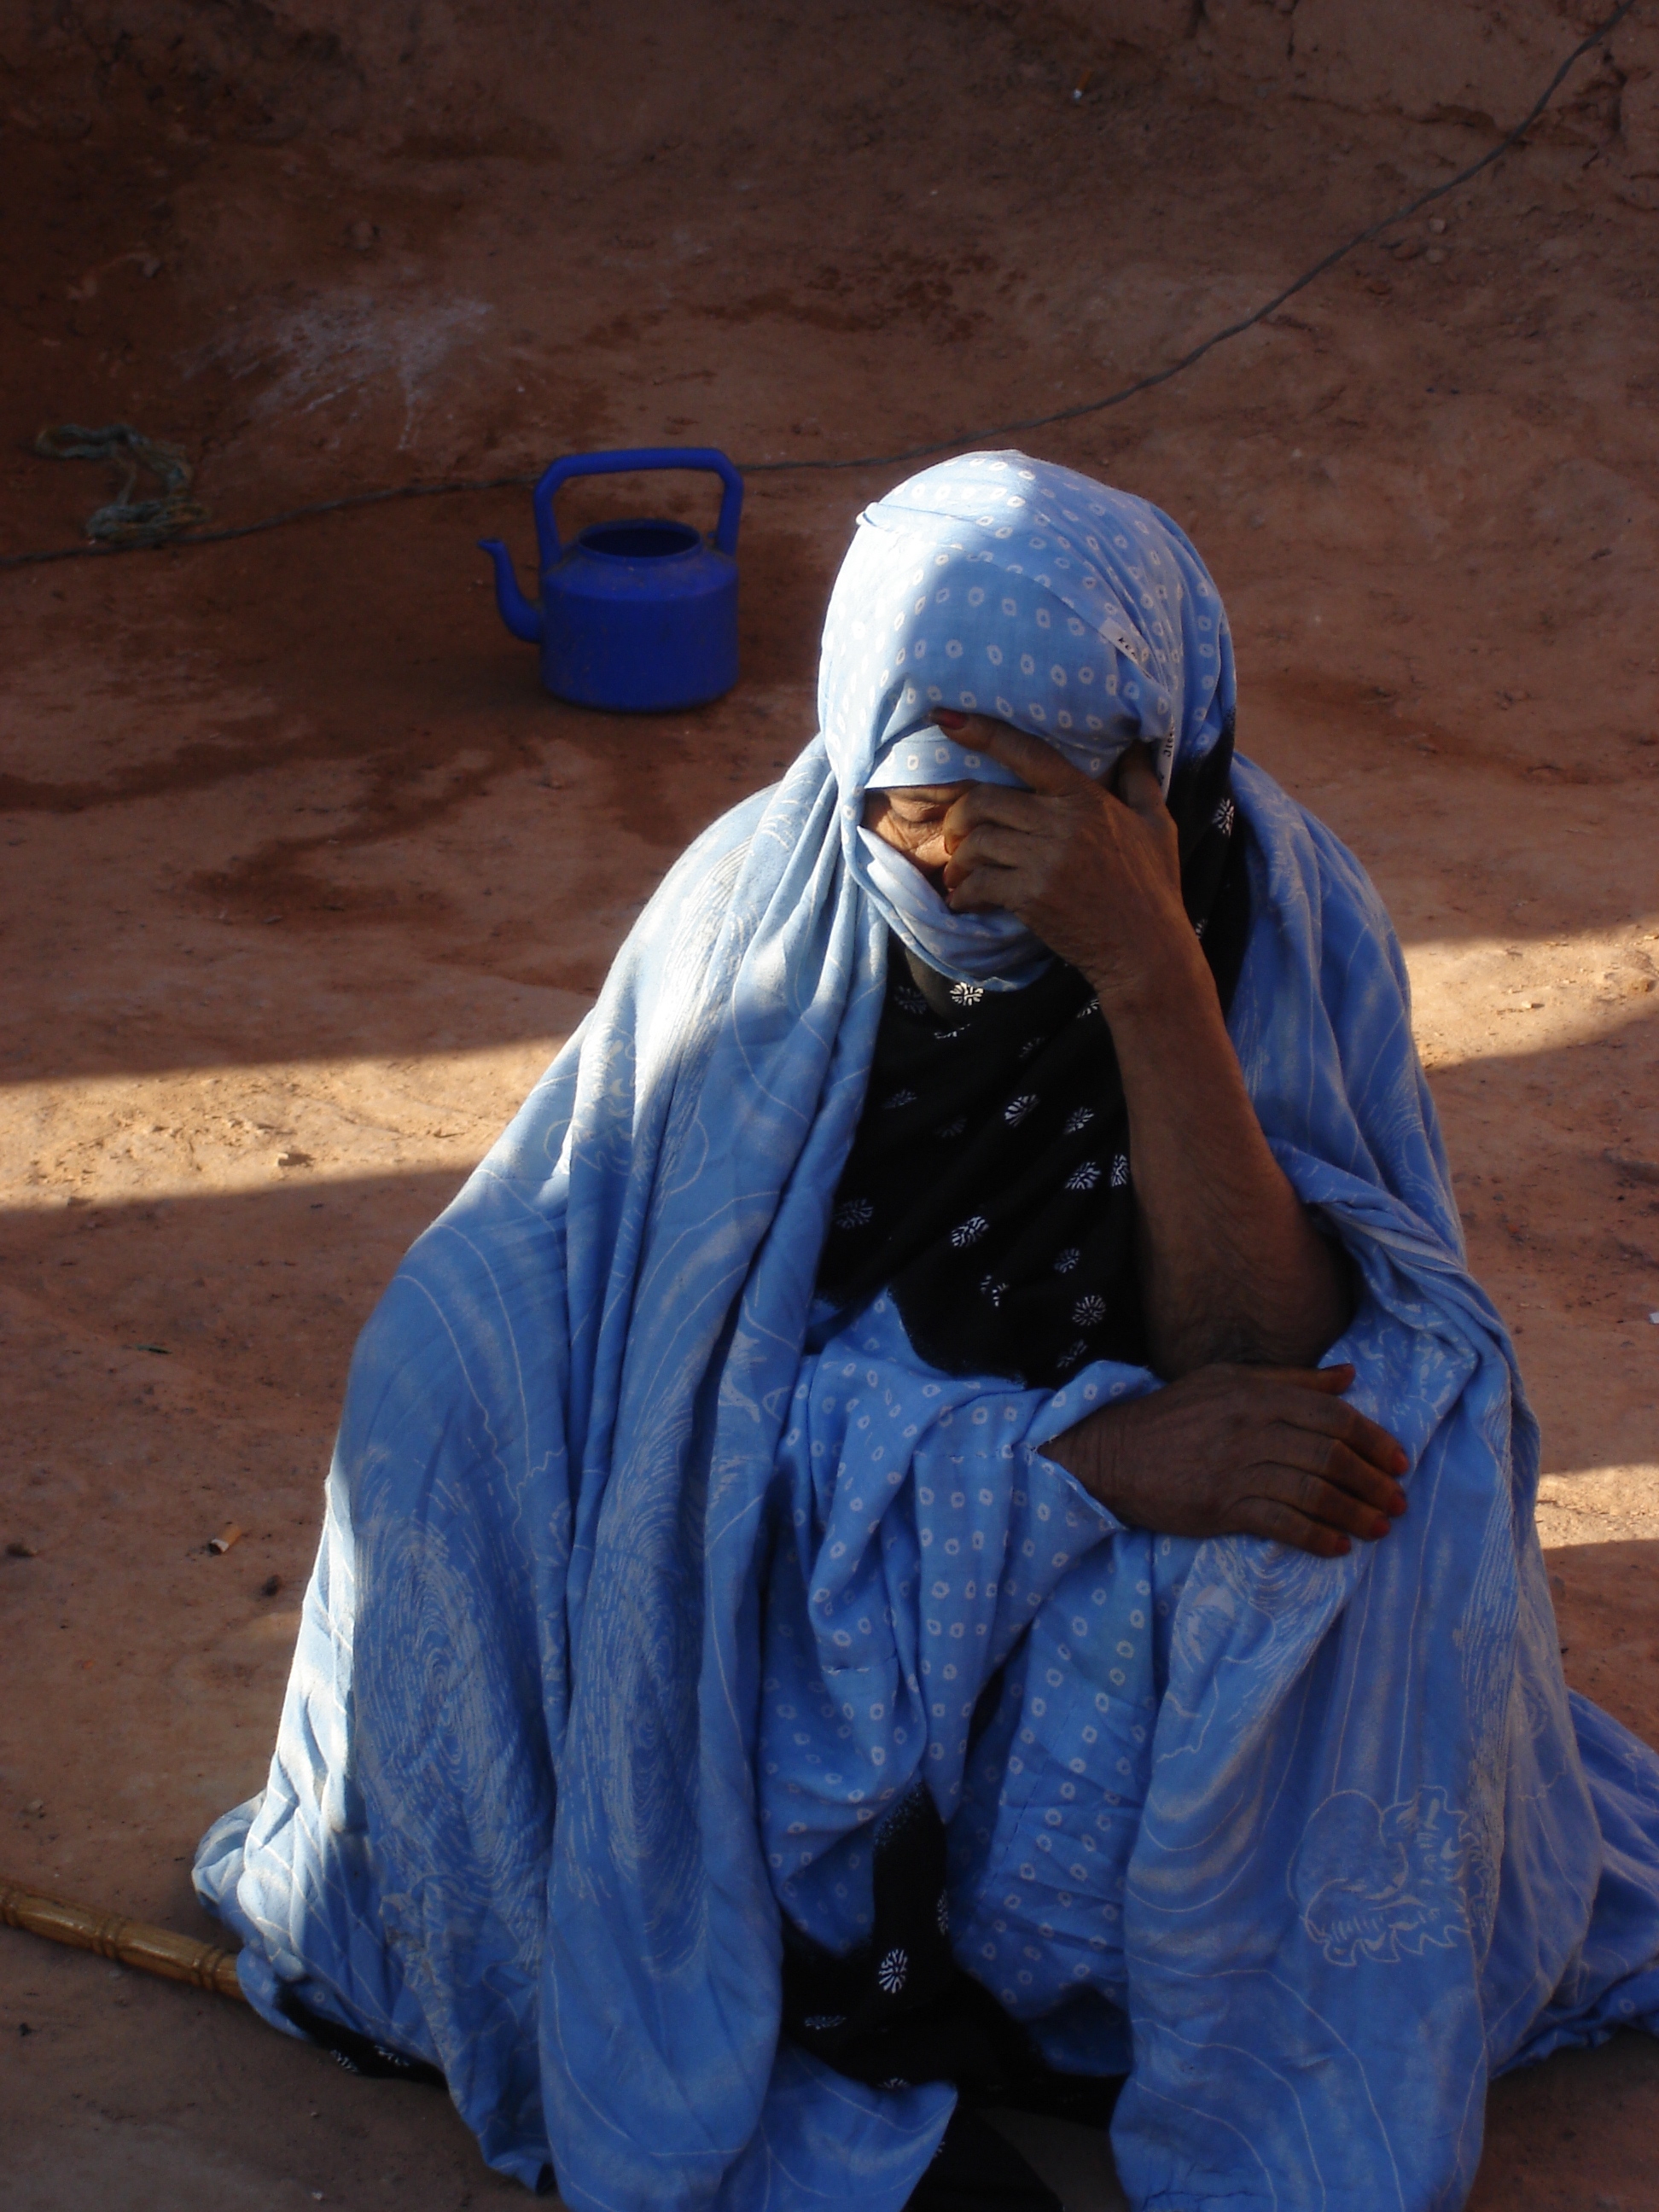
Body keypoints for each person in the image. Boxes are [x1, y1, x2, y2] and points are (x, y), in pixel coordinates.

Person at [196, 452, 1659, 2212]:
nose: (974, 879)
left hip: (1110, 1580)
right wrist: (1066, 1463)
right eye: (925, 806)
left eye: (1046, 819)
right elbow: (680, 1443)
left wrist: (1145, 970)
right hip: (800, 1592)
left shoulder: (1272, 911)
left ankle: (1214, 2057)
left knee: (1369, 1488)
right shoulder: (761, 937)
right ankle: (785, 1987)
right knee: (455, 1378)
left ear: (1162, 768)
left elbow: (1282, 1353)